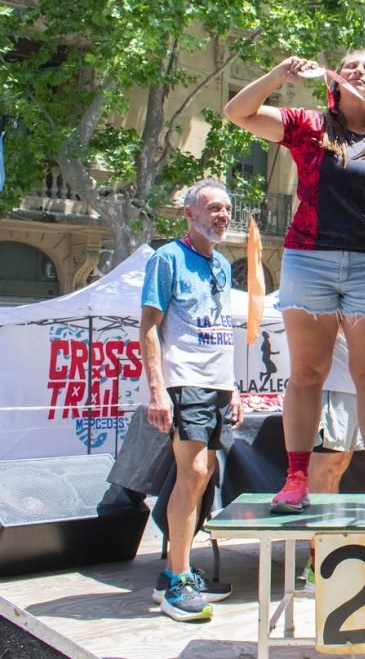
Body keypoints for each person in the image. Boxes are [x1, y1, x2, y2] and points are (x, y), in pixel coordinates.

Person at [224, 51, 365, 515]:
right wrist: (278, 75)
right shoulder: (307, 125)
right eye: (350, 65)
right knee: (307, 374)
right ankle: (295, 477)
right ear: (335, 81)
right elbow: (236, 112)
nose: (358, 71)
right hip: (309, 259)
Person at [141, 179, 240, 622]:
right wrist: (157, 390)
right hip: (184, 383)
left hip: (217, 385)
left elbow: (222, 329)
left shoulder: (221, 264)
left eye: (226, 209)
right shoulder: (168, 259)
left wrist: (233, 386)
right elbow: (148, 327)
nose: (222, 215)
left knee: (204, 479)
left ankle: (173, 570)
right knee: (193, 473)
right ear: (189, 214)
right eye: (214, 208)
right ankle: (178, 582)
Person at [301, 328, 364, 589]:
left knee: (339, 465)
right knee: (325, 468)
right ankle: (317, 562)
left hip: (357, 384)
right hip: (331, 382)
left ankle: (327, 554)